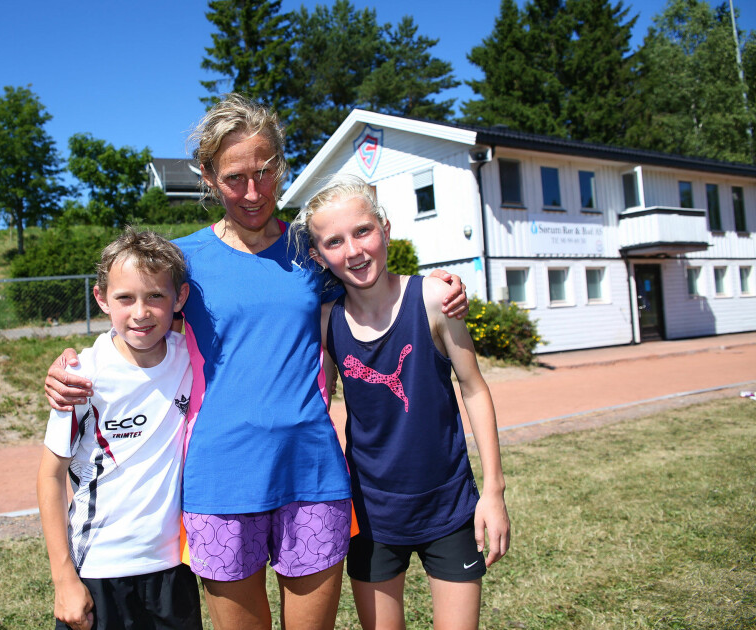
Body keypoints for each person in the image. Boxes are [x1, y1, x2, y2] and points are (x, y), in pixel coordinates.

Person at [43, 93, 470, 630]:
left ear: (281, 165)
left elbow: (372, 282)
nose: (253, 192)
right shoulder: (184, 262)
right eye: (234, 178)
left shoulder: (309, 250)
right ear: (206, 176)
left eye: (265, 172)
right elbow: (135, 326)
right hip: (219, 484)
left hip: (312, 476)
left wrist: (442, 287)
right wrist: (68, 366)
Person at [292, 175, 511, 630]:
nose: (353, 250)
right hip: (370, 514)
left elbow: (473, 388)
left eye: (363, 231)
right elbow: (315, 408)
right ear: (318, 256)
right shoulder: (326, 322)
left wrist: (493, 491)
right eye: (334, 241)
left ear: (386, 230)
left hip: (450, 506)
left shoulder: (434, 299)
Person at [36, 226, 202, 630]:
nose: (140, 312)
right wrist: (63, 579)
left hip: (172, 568)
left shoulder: (190, 359)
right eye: (124, 298)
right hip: (98, 567)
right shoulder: (81, 375)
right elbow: (50, 476)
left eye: (155, 297)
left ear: (179, 298)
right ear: (102, 299)